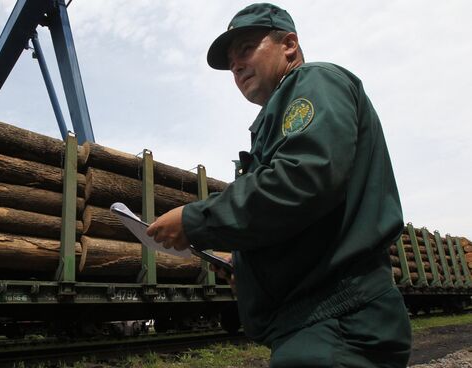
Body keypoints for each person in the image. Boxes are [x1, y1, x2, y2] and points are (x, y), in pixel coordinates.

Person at [146, 3, 412, 367]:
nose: (236, 66)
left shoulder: (315, 82)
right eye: (230, 62)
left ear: (288, 45)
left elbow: (304, 179)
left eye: (245, 49)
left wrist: (195, 221)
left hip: (336, 320)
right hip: (316, 323)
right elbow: (302, 219)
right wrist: (245, 263)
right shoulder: (277, 114)